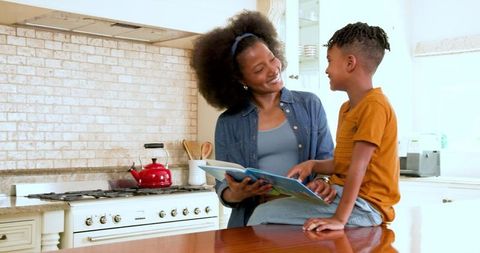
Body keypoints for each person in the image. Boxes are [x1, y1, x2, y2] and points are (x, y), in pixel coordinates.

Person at [247, 22, 400, 231]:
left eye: (329, 61)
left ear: (350, 63)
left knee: (262, 214)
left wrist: (339, 219)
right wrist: (313, 165)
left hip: (365, 206)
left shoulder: (374, 106)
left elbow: (359, 167)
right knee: (268, 215)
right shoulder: (347, 108)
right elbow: (344, 163)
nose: (327, 69)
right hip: (345, 198)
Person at [190, 11, 335, 228]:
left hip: (306, 222)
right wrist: (237, 194)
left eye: (271, 58)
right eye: (259, 69)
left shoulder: (310, 105)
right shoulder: (229, 122)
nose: (272, 70)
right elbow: (224, 189)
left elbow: (328, 160)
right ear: (240, 79)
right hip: (254, 223)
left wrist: (323, 181)